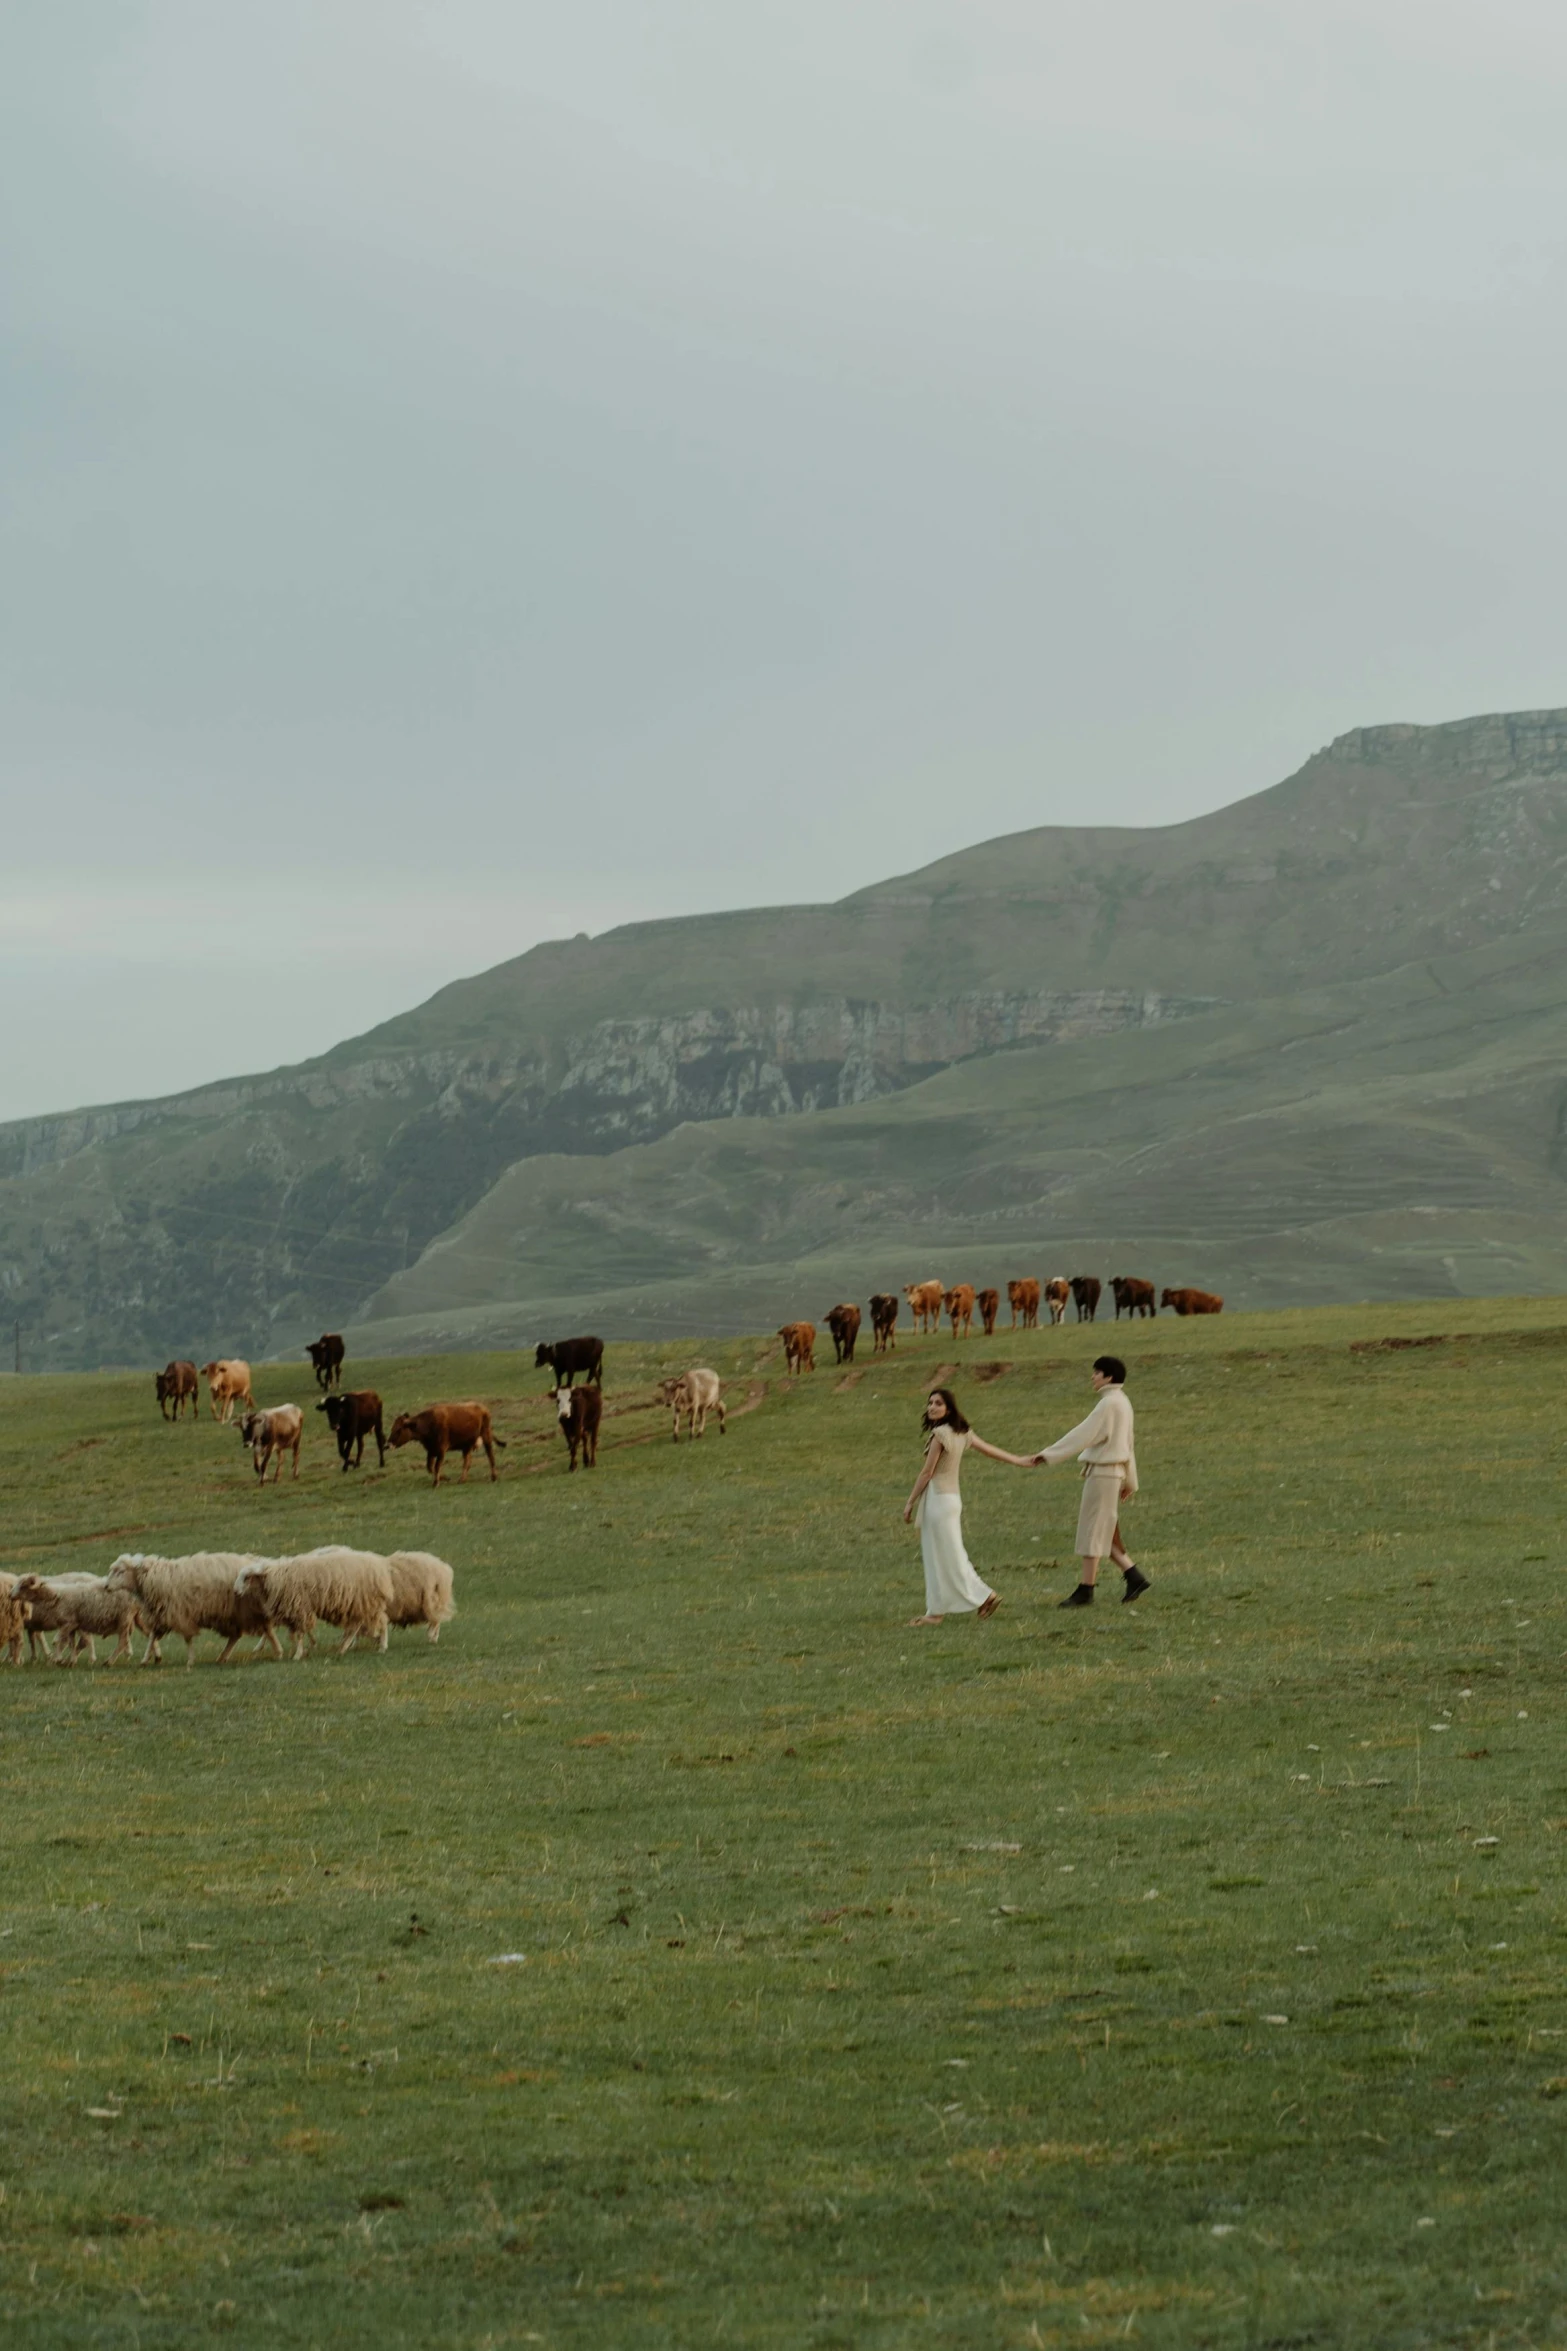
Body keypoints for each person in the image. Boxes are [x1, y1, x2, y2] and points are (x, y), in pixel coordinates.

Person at [902, 1387, 1033, 1627]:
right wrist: (1018, 1460)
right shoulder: (962, 1433)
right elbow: (990, 1450)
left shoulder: (940, 1435)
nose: (932, 1407)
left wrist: (910, 1502)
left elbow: (927, 1472)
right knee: (945, 1555)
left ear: (948, 1409)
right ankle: (938, 1610)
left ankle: (980, 1597)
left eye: (938, 1403)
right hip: (952, 1500)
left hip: (938, 1501)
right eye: (930, 1403)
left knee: (944, 1556)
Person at [1033, 1354, 1149, 1607]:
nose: (1092, 1377)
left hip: (1104, 1473)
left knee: (1093, 1531)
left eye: (1097, 1373)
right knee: (1102, 1531)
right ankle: (1133, 1576)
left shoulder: (1109, 1404)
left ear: (1108, 1377)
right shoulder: (1122, 1402)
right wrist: (1130, 1480)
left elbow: (1084, 1434)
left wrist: (1048, 1455)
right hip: (1111, 1473)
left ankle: (1086, 1590)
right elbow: (1129, 1444)